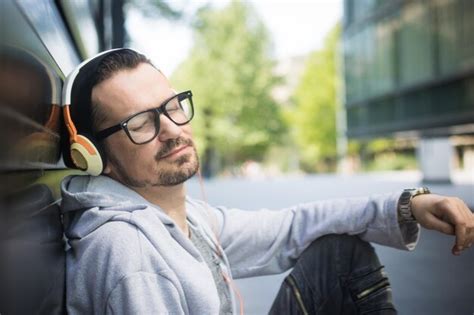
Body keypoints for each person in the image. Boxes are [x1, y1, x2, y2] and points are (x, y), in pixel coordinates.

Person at [60, 48, 474, 315]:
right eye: (141, 123)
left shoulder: (183, 220)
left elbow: (291, 227)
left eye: (170, 106)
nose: (170, 129)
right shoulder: (127, 255)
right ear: (96, 157)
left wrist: (407, 206)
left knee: (338, 255)